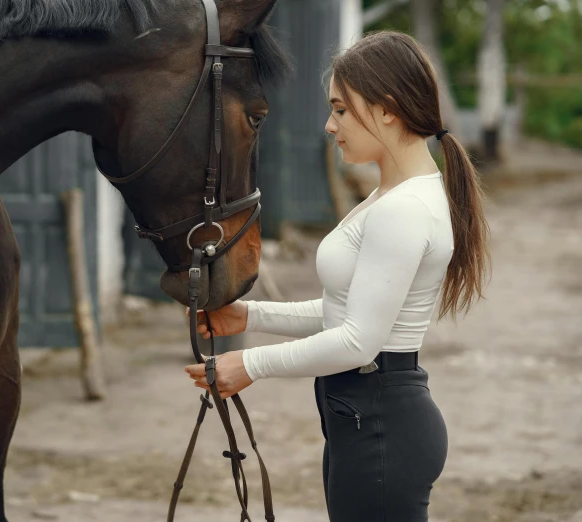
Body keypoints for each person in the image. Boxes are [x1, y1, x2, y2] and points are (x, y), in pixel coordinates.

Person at [185, 30, 491, 521]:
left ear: (387, 110)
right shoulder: (392, 198)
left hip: (379, 426)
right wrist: (248, 315)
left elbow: (357, 342)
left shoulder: (405, 209)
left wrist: (251, 365)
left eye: (341, 110)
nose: (330, 125)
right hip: (366, 418)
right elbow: (345, 310)